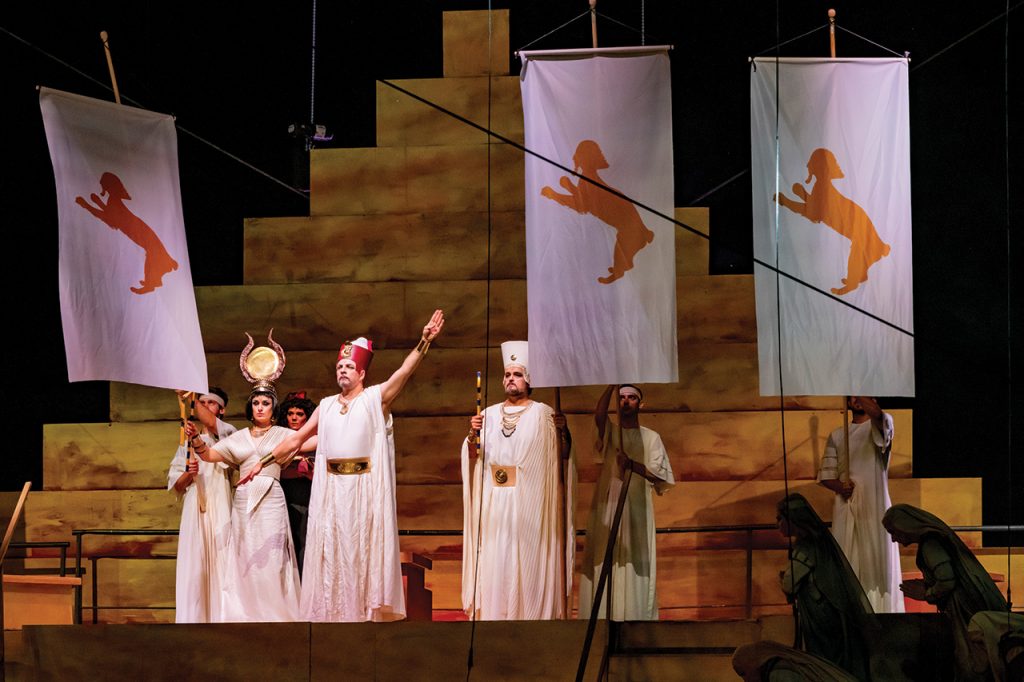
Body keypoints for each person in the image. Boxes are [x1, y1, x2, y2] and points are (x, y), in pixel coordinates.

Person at [263, 309, 445, 622]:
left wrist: (423, 342)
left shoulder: (374, 398)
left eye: (349, 366)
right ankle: (334, 614)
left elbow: (403, 373)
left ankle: (363, 613)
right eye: (340, 366)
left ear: (361, 373)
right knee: (332, 551)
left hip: (363, 490)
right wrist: (261, 462)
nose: (343, 370)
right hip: (332, 490)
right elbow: (298, 440)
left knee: (361, 549)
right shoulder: (326, 405)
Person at [193, 335, 312, 622]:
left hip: (271, 497)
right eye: (256, 402)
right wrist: (195, 439)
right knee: (245, 552)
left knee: (271, 554)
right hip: (243, 499)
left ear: (273, 408)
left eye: (265, 403)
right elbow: (209, 455)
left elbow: (312, 441)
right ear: (251, 406)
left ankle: (275, 611)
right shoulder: (239, 437)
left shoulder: (284, 435)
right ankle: (244, 612)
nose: (260, 407)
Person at [461, 340, 575, 620]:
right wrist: (472, 436)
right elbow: (476, 456)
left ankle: (530, 618)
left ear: (529, 380)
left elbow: (562, 456)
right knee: (496, 559)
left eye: (518, 374)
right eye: (507, 375)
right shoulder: (487, 415)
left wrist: (563, 432)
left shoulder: (544, 413)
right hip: (495, 505)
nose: (511, 379)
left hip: (529, 505)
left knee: (527, 560)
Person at [578, 384, 674, 621]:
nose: (626, 401)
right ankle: (604, 615)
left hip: (636, 506)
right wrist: (612, 383)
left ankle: (633, 615)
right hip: (609, 503)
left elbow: (660, 475)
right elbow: (599, 417)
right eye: (621, 398)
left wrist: (632, 464)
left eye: (632, 398)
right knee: (606, 554)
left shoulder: (651, 437)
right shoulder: (611, 432)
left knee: (634, 559)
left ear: (640, 404)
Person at [883, 504, 1008, 681]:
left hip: (965, 608)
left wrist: (926, 593)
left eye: (893, 532)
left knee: (971, 656)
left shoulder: (930, 544)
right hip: (965, 605)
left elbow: (947, 580)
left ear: (905, 525)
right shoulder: (932, 541)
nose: (894, 539)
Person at [817, 396, 904, 614]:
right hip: (846, 506)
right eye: (852, 396)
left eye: (861, 395)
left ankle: (881, 615)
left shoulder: (881, 424)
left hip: (875, 507)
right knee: (848, 558)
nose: (856, 399)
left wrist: (859, 386)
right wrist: (839, 487)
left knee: (876, 560)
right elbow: (826, 475)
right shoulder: (838, 435)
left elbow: (877, 415)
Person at [777, 493, 874, 680]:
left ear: (793, 520)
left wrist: (782, 578)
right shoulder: (820, 542)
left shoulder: (806, 547)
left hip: (820, 617)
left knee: (825, 663)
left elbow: (789, 584)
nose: (778, 524)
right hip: (831, 613)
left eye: (780, 518)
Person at [167, 388, 234, 623]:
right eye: (202, 402)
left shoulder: (228, 436)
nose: (205, 406)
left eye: (210, 403)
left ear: (221, 409)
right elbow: (176, 485)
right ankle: (193, 620)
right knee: (195, 564)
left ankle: (222, 620)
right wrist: (188, 473)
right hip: (195, 506)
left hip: (220, 503)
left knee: (221, 561)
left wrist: (191, 398)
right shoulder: (185, 443)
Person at [276, 391, 317, 576]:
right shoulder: (278, 437)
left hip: (305, 494)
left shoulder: (315, 439)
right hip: (281, 493)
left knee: (303, 539)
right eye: (290, 413)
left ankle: (302, 582)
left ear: (307, 417)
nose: (294, 418)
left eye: (299, 414)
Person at [732, 640, 859, 681]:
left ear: (752, 662)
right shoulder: (781, 666)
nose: (745, 680)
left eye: (743, 673)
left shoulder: (779, 674)